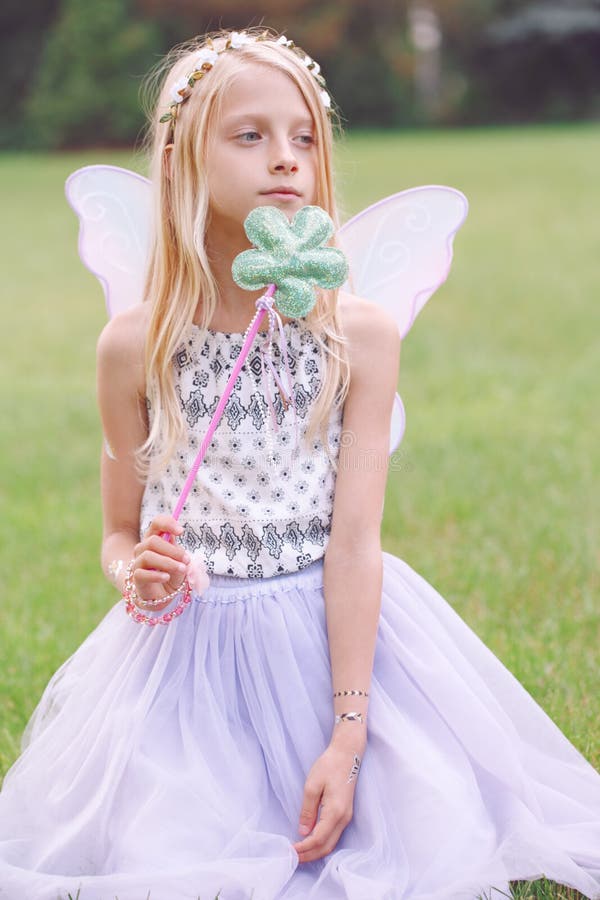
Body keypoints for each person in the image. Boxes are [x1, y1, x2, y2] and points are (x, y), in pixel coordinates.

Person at [0, 26, 599, 900]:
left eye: (305, 136)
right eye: (250, 135)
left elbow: (355, 544)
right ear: (179, 161)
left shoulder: (356, 336)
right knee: (178, 853)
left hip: (333, 650)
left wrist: (349, 734)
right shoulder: (133, 346)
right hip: (187, 670)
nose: (286, 159)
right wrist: (141, 575)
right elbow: (119, 533)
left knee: (394, 841)